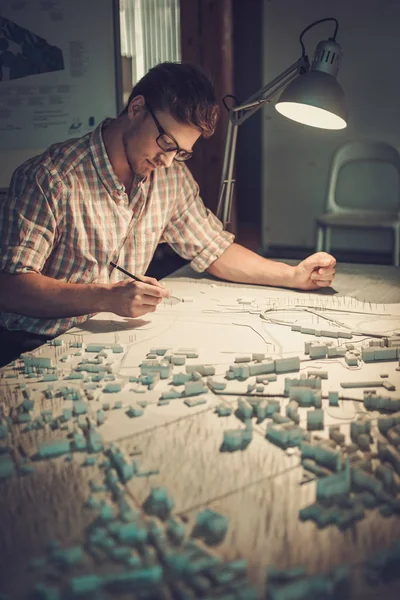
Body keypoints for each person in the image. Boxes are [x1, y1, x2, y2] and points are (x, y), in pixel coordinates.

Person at [0, 62, 335, 366]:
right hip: (35, 345)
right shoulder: (51, 178)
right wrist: (105, 297)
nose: (168, 160)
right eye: (166, 143)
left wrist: (292, 276)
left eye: (182, 153)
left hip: (108, 344)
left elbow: (214, 250)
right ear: (136, 108)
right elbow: (11, 287)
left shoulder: (168, 176)